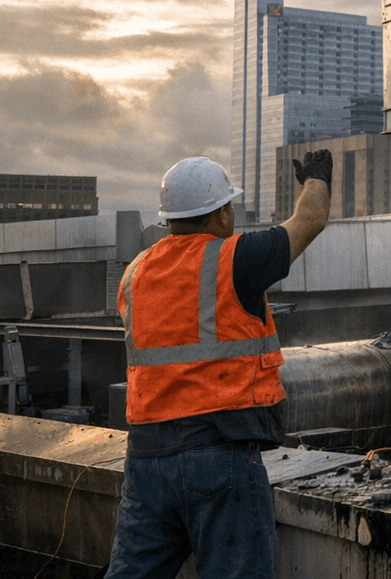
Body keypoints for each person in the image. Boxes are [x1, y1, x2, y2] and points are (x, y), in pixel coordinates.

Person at [105, 151, 332, 579]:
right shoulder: (236, 258)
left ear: (169, 218)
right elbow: (311, 220)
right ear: (222, 214)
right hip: (217, 456)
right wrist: (316, 178)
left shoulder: (134, 273)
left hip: (146, 461)